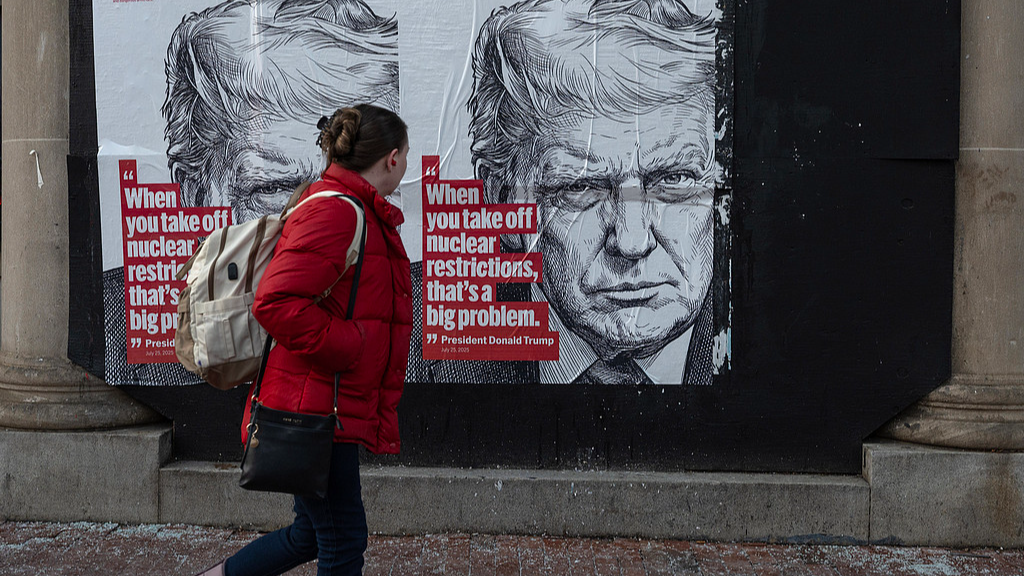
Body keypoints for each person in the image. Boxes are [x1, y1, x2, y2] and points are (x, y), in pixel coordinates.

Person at [411, 0, 720, 385]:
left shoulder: (792, 322)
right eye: (580, 187)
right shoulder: (399, 326)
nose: (632, 242)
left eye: (673, 180)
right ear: (504, 203)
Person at [103, 0, 399, 386]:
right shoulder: (128, 337)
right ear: (195, 187)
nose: (327, 209)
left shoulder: (410, 315)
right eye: (276, 188)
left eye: (355, 185)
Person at [195, 104, 412, 576]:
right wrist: (351, 345)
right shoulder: (338, 211)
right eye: (407, 158)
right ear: (392, 158)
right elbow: (276, 302)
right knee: (342, 540)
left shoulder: (346, 204)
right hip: (314, 408)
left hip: (321, 403)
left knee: (311, 534)